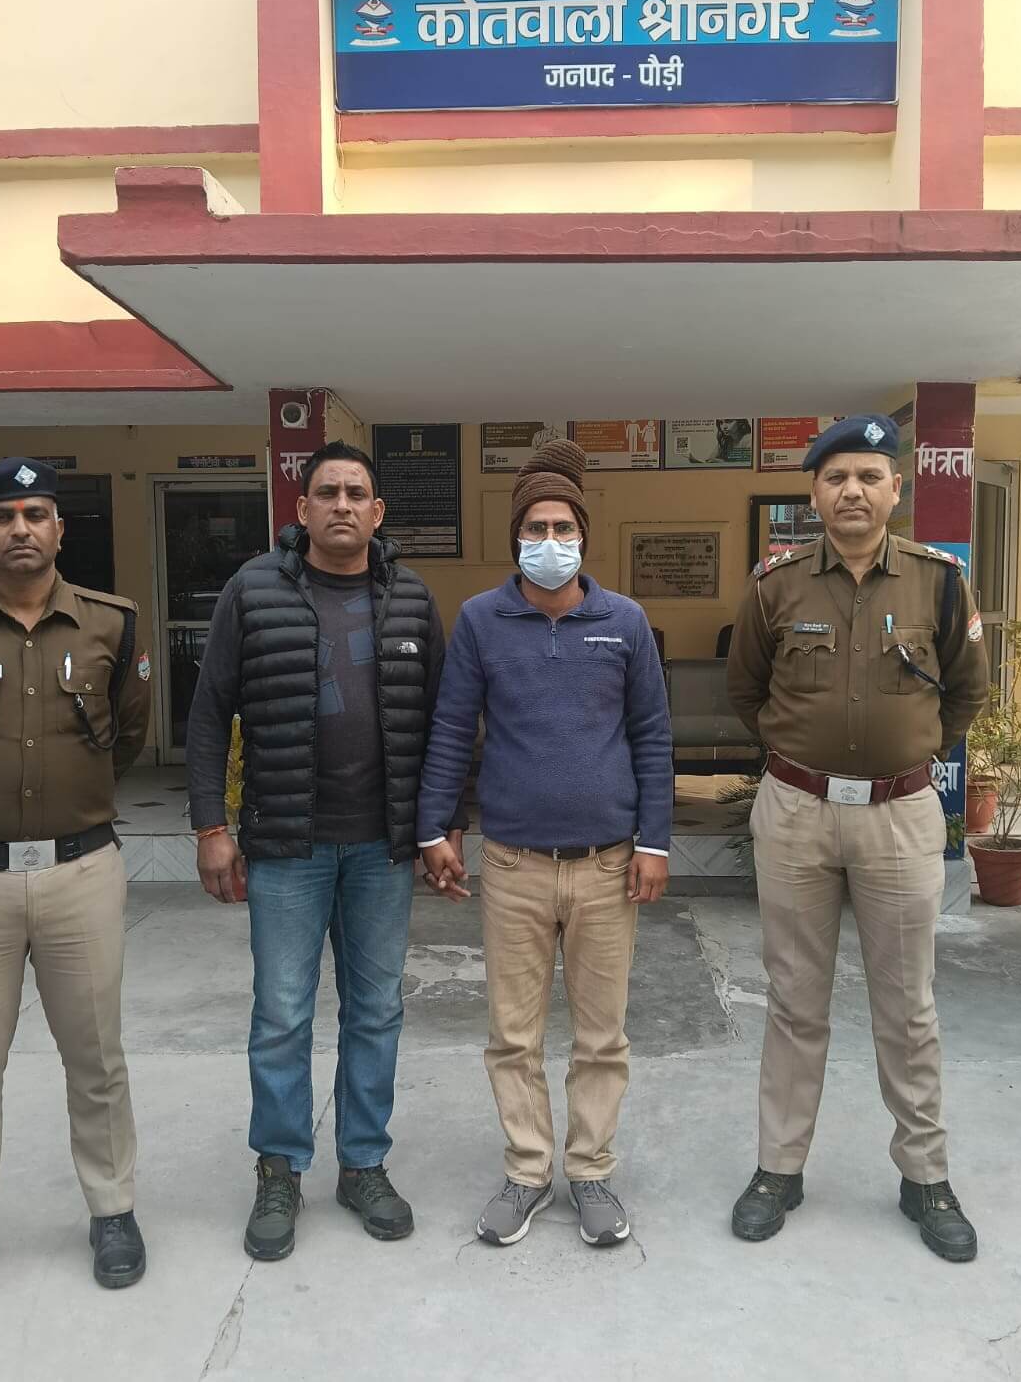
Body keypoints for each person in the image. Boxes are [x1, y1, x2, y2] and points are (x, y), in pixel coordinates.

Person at [186, 440, 462, 1259]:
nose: (342, 504)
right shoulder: (253, 590)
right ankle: (279, 1167)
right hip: (286, 847)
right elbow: (208, 713)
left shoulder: (411, 597)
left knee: (377, 1010)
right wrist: (210, 827)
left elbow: (446, 722)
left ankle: (363, 1163)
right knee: (282, 1014)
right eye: (327, 491)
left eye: (356, 493)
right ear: (301, 509)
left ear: (377, 513)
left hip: (382, 850)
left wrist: (442, 826)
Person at [726, 414, 989, 1262]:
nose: (852, 491)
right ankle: (779, 1168)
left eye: (869, 476)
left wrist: (905, 750)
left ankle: (925, 1175)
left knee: (908, 1006)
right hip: (796, 813)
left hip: (899, 816)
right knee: (794, 1000)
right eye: (837, 477)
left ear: (894, 489)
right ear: (814, 492)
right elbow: (747, 691)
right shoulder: (774, 585)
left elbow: (966, 693)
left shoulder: (939, 581)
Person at [0, 458, 151, 1316]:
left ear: (59, 528)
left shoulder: (112, 623)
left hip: (79, 872)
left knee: (96, 1057)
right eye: (4, 514)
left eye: (37, 512)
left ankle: (112, 1209)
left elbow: (128, 736)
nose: (22, 527)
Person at [418, 440, 672, 1249]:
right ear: (517, 537)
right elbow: (452, 727)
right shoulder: (481, 622)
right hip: (515, 865)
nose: (551, 540)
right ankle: (528, 1171)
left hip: (606, 866)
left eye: (564, 527)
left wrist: (656, 841)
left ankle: (590, 1170)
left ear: (584, 535)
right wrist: (436, 825)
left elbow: (652, 735)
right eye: (537, 528)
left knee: (602, 1035)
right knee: (513, 1035)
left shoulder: (624, 622)